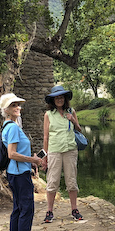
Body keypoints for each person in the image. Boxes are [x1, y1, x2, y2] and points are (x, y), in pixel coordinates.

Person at [0, 93, 45, 231]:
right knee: (27, 209)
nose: (17, 107)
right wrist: (32, 159)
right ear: (6, 110)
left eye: (18, 104)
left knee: (18, 208)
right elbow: (12, 154)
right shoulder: (12, 127)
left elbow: (15, 152)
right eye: (13, 105)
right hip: (19, 174)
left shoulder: (9, 125)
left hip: (16, 172)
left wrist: (29, 159)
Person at [42, 85, 83, 223]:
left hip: (70, 150)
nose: (59, 100)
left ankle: (74, 209)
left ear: (65, 99)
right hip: (54, 151)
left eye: (61, 97)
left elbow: (79, 129)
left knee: (71, 181)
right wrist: (44, 157)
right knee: (52, 181)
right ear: (53, 100)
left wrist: (72, 119)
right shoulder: (48, 115)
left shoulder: (71, 111)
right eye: (57, 97)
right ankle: (49, 211)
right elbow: (46, 137)